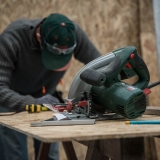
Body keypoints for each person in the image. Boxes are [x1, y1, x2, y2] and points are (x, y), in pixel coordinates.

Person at [0, 13, 101, 160]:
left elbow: (100, 67)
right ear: (40, 37)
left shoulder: (71, 34)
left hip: (47, 100)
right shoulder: (11, 39)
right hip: (10, 100)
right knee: (15, 154)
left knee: (50, 154)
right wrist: (32, 103)